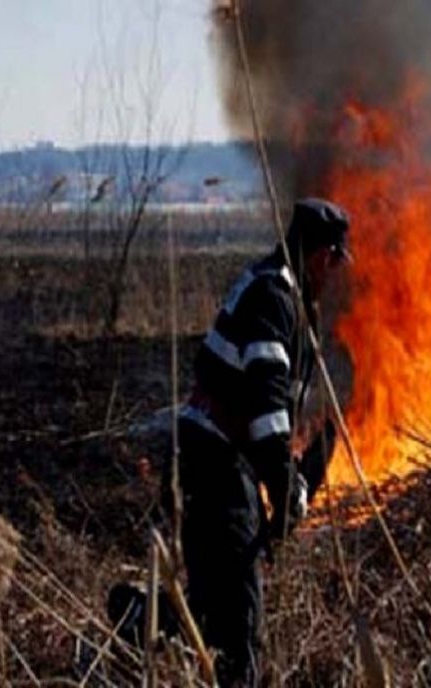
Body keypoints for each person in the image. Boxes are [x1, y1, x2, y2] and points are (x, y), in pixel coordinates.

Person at [172, 198, 350, 686]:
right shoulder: (274, 297)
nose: (336, 273)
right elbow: (267, 408)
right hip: (218, 458)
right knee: (239, 622)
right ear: (319, 254)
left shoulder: (283, 291)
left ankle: (149, 623)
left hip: (222, 456)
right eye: (336, 260)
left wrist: (285, 488)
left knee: (211, 597)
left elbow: (271, 414)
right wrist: (286, 484)